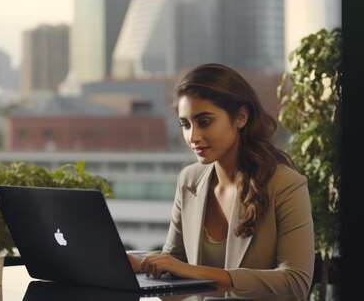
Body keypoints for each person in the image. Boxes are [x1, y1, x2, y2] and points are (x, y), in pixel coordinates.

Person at [128, 63, 314, 298]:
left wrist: (194, 272)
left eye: (204, 122)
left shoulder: (286, 185)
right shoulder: (189, 180)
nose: (192, 136)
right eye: (185, 125)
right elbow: (176, 263)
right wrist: (141, 264)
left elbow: (295, 283)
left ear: (241, 117)